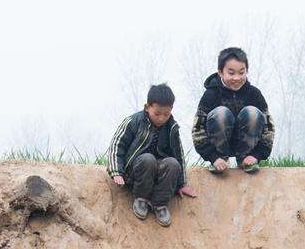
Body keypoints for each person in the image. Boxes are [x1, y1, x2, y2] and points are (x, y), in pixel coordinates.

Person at [105, 83, 194, 226]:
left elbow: (179, 155)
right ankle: (142, 198)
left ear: (171, 110)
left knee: (172, 163)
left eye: (166, 114)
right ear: (147, 107)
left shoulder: (172, 128)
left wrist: (182, 184)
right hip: (136, 170)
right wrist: (116, 171)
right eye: (157, 113)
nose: (161, 118)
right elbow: (117, 145)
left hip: (159, 173)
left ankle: (160, 204)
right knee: (148, 159)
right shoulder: (133, 121)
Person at [192, 46, 275, 174]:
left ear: (247, 71)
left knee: (253, 113)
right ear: (220, 72)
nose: (236, 78)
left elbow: (268, 128)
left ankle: (245, 161)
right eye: (231, 73)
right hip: (218, 150)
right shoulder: (210, 95)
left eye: (241, 72)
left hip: (247, 149)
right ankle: (221, 160)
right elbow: (197, 130)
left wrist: (257, 155)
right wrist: (212, 156)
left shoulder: (254, 94)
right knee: (221, 113)